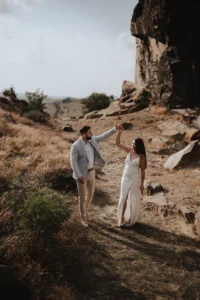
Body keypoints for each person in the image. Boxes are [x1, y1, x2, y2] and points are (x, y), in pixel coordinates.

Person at [70, 124, 121, 227]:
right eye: (89, 133)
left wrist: (114, 129)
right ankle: (83, 218)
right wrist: (79, 176)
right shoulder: (76, 146)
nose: (91, 134)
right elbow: (73, 163)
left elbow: (103, 136)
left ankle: (85, 210)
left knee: (91, 195)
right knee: (82, 197)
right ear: (84, 134)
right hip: (81, 175)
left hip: (92, 172)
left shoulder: (92, 140)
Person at [116, 127, 147, 227]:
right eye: (132, 143)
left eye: (134, 144)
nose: (132, 145)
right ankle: (121, 218)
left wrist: (142, 184)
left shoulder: (141, 156)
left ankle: (130, 219)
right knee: (123, 197)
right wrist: (119, 133)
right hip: (125, 177)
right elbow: (117, 144)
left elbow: (142, 171)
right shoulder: (129, 151)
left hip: (135, 178)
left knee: (133, 198)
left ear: (138, 145)